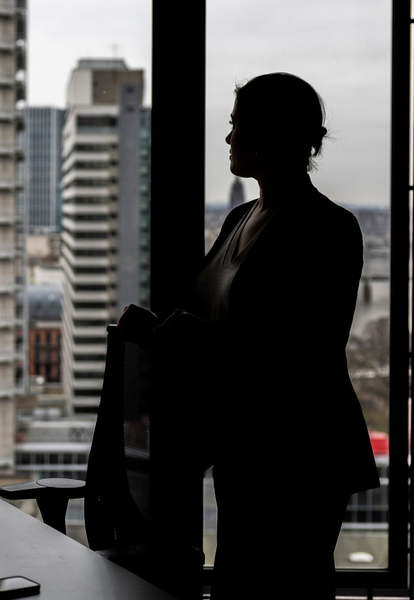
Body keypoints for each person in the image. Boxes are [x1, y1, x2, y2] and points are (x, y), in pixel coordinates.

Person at [118, 72, 380, 599]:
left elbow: (305, 355)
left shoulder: (329, 229)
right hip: (244, 450)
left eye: (236, 125)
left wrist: (198, 340)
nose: (228, 138)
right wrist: (156, 329)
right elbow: (206, 316)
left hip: (299, 458)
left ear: (266, 134)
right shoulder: (240, 216)